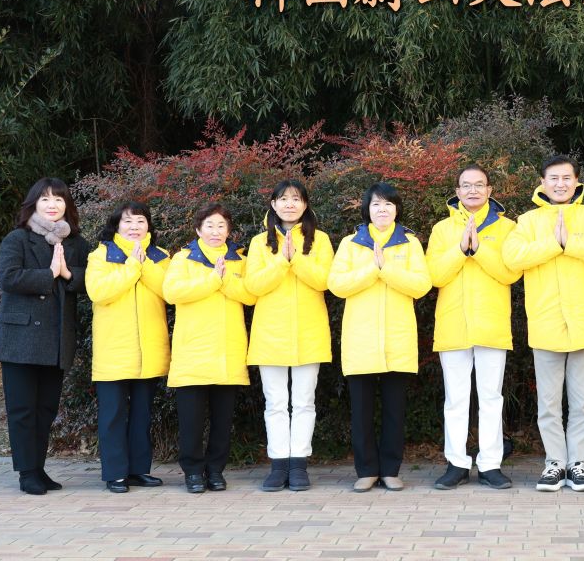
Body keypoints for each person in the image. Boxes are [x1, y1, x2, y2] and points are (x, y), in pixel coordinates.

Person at [503, 154, 584, 493]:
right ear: (542, 182)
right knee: (549, 404)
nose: (560, 184)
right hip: (546, 321)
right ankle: (555, 463)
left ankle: (578, 464)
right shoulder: (527, 221)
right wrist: (554, 243)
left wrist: (572, 243)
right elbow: (512, 258)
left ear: (577, 181)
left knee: (582, 402)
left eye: (566, 178)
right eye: (553, 178)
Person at [328, 182, 432, 492]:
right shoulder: (350, 243)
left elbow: (421, 285)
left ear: (397, 209)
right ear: (367, 209)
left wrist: (386, 269)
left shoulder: (409, 243)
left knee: (394, 411)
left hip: (397, 340)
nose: (382, 209)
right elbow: (336, 284)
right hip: (360, 340)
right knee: (361, 412)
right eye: (376, 204)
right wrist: (372, 270)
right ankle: (366, 471)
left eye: (388, 204)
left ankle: (390, 470)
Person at [0, 177, 91, 495]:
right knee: (23, 409)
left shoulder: (76, 243)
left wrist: (69, 273)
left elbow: (91, 280)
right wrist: (49, 274)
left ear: (67, 205)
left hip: (56, 337)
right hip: (20, 338)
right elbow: (8, 278)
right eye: (45, 199)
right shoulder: (17, 238)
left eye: (59, 199)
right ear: (34, 204)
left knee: (46, 409)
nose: (52, 205)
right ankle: (27, 472)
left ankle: (38, 468)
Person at [426, 164, 521, 491]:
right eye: (466, 185)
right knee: (455, 400)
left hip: (492, 324)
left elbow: (511, 272)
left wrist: (479, 250)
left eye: (479, 185)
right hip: (453, 324)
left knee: (491, 398)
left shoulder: (507, 227)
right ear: (457, 191)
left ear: (490, 190)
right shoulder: (442, 229)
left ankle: (490, 464)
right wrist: (460, 250)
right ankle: (456, 463)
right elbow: (434, 276)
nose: (473, 190)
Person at [245, 180, 335, 492]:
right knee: (275, 402)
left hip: (309, 331)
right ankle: (278, 464)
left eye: (296, 199)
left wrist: (296, 258)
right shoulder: (259, 242)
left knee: (304, 401)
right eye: (283, 199)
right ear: (273, 204)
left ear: (305, 205)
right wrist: (281, 262)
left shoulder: (320, 239)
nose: (289, 204)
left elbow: (325, 281)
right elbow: (253, 286)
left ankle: (299, 464)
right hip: (270, 333)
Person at [163, 203, 254, 493]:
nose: (216, 231)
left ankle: (215, 470)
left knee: (222, 420)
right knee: (191, 420)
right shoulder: (183, 258)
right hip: (193, 351)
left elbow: (250, 295)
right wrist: (213, 279)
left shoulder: (239, 259)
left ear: (229, 230)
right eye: (210, 226)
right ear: (198, 230)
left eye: (221, 226)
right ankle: (192, 472)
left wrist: (224, 281)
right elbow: (173, 292)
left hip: (228, 350)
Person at [85, 200, 170, 493]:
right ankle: (115, 473)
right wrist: (133, 265)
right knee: (113, 415)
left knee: (142, 414)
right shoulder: (101, 255)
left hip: (150, 349)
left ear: (149, 226)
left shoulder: (160, 256)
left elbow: (168, 291)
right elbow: (99, 292)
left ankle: (138, 470)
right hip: (114, 349)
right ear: (117, 225)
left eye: (140, 221)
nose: (134, 227)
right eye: (128, 221)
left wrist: (143, 263)